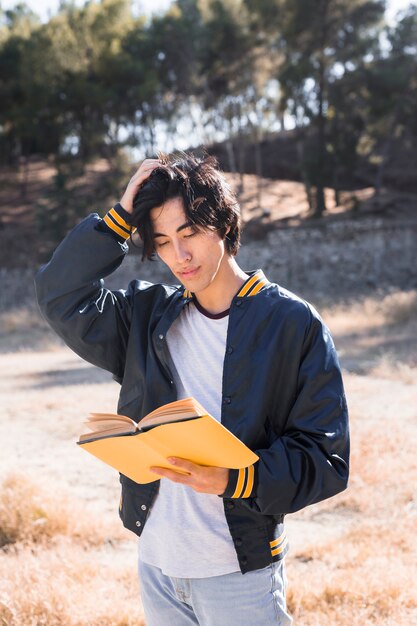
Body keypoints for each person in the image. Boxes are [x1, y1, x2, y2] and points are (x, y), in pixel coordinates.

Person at [35, 152, 350, 626]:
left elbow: (326, 460)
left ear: (222, 224)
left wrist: (233, 479)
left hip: (237, 574)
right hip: (158, 566)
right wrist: (119, 220)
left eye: (189, 234)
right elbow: (60, 295)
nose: (178, 257)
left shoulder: (291, 323)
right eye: (161, 241)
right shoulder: (146, 315)